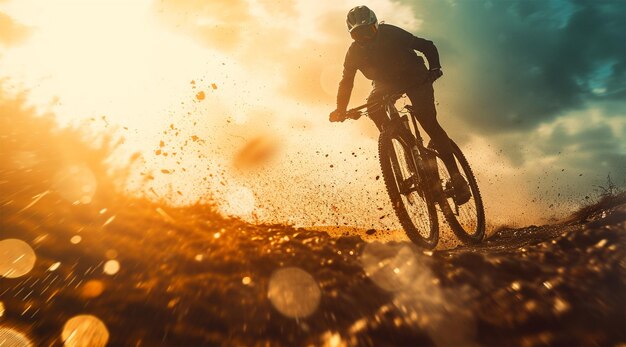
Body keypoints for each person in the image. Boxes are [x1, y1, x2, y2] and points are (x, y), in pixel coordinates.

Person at [329, 5, 471, 204]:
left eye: (368, 31)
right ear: (351, 36)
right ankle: (404, 142)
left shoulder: (391, 33)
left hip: (415, 76)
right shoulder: (353, 53)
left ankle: (457, 178)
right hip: (385, 84)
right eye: (358, 35)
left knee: (428, 122)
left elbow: (427, 46)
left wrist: (435, 68)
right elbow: (347, 81)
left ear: (376, 26)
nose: (365, 38)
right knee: (373, 108)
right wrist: (341, 109)